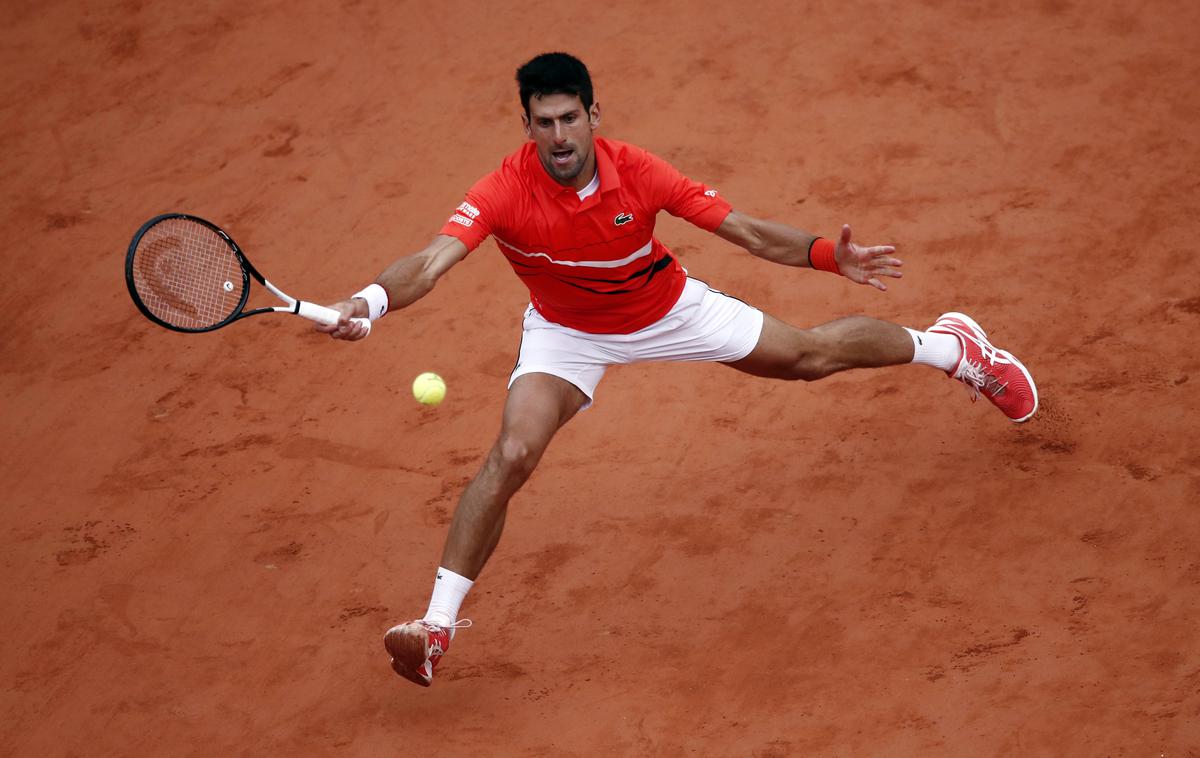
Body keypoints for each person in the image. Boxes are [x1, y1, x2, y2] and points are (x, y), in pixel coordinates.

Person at [318, 52, 1037, 687]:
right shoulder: (505, 189)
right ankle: (436, 629)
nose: (560, 137)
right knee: (511, 453)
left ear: (593, 114)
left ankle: (954, 349)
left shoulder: (640, 173)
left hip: (667, 307)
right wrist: (371, 300)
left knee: (810, 357)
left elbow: (749, 231)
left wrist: (827, 254)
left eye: (571, 118)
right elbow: (431, 261)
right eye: (544, 123)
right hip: (568, 333)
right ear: (527, 127)